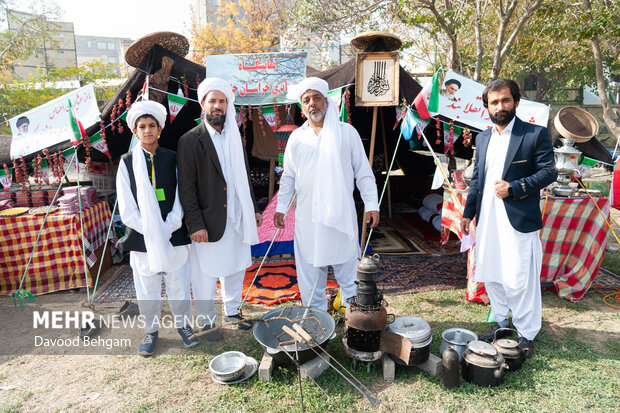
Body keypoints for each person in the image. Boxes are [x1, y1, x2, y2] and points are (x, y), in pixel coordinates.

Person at [460, 78, 557, 358]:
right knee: (492, 271)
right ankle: (501, 323)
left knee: (520, 277)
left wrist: (514, 188)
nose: (500, 106)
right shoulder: (483, 137)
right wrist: (469, 213)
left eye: (505, 100)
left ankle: (527, 333)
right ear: (486, 107)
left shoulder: (533, 134)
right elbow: (478, 178)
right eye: (494, 102)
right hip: (488, 219)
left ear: (516, 101)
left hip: (518, 217)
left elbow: (549, 172)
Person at [274, 77, 380, 311]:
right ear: (302, 108)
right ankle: (316, 323)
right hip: (308, 219)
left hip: (340, 218)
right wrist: (281, 208)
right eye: (307, 100)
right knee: (311, 278)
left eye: (317, 97)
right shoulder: (296, 138)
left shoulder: (347, 133)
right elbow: (289, 177)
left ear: (326, 102)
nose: (313, 103)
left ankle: (357, 322)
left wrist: (372, 204)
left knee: (350, 276)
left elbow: (363, 172)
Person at [177, 77, 261, 341]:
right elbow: (186, 187)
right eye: (212, 101)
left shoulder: (235, 136)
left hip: (236, 213)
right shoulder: (190, 140)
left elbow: (244, 174)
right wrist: (195, 223)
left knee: (236, 264)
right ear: (203, 105)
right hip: (208, 218)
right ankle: (206, 320)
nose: (217, 106)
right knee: (205, 272)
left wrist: (253, 208)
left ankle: (233, 310)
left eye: (222, 101)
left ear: (228, 105)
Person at [116, 100, 197, 356]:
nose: (148, 130)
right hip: (141, 237)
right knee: (147, 288)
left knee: (178, 284)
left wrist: (168, 226)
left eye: (152, 125)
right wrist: (151, 230)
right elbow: (127, 208)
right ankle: (150, 331)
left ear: (160, 129)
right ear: (135, 131)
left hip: (173, 233)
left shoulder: (172, 158)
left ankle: (184, 326)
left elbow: (181, 196)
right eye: (143, 126)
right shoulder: (127, 162)